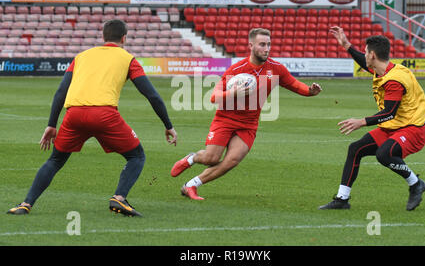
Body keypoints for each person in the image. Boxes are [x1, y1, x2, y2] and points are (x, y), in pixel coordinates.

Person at [7, 19, 177, 217]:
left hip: (74, 115)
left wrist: (52, 124)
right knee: (136, 156)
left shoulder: (81, 56)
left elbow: (61, 92)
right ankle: (119, 198)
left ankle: (25, 204)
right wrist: (168, 125)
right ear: (124, 38)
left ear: (103, 37)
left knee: (55, 160)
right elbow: (152, 95)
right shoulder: (128, 59)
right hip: (104, 115)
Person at [170, 28, 322, 200]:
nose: (267, 48)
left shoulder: (277, 69)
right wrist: (234, 93)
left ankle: (191, 185)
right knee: (211, 158)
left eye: (269, 45)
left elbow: (295, 85)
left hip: (248, 124)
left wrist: (310, 91)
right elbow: (214, 97)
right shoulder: (236, 69)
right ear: (251, 45)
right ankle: (192, 158)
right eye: (262, 44)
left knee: (232, 160)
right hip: (225, 119)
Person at [319, 26, 425, 211]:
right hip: (395, 126)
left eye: (366, 52)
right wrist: (346, 45)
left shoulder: (394, 80)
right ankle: (341, 199)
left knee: (384, 154)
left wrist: (361, 121)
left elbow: (389, 112)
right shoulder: (385, 69)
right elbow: (363, 61)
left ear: (373, 56)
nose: (365, 55)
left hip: (412, 129)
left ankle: (415, 183)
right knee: (355, 149)